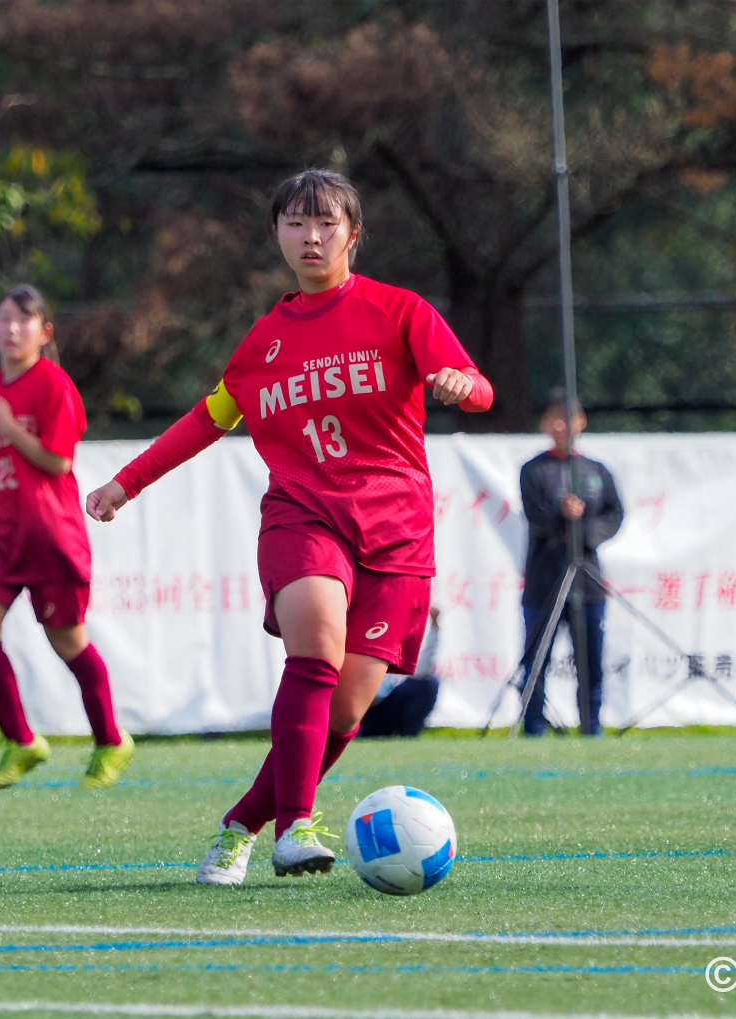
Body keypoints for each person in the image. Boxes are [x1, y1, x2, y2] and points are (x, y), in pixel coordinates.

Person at [86, 168, 493, 885]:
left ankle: (240, 824)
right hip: (303, 516)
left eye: (327, 223)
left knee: (346, 708)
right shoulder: (265, 340)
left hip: (398, 531)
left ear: (353, 235)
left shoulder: (399, 312)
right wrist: (127, 482)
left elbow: (475, 383)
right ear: (276, 233)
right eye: (296, 223)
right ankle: (295, 824)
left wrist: (465, 385)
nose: (311, 236)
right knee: (316, 642)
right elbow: (204, 420)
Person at [0, 285, 134, 790]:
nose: (10, 328)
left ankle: (111, 740)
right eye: (3, 319)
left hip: (49, 536)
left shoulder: (53, 384)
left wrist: (5, 426)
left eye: (23, 320)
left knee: (69, 643)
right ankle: (22, 740)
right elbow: (7, 459)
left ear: (44, 333)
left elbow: (56, 461)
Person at [519, 389, 623, 736]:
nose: (563, 425)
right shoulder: (533, 470)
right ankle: (533, 728)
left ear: (582, 421)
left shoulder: (596, 470)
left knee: (590, 662)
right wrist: (560, 515)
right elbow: (535, 517)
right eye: (555, 418)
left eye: (570, 418)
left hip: (588, 582)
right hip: (544, 583)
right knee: (536, 662)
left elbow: (614, 514)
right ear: (545, 424)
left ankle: (592, 728)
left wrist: (586, 533)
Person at [359, 606, 441, 738]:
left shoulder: (397, 645)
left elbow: (422, 671)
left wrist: (434, 626)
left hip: (383, 707)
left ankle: (408, 736)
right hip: (360, 710)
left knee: (428, 684)